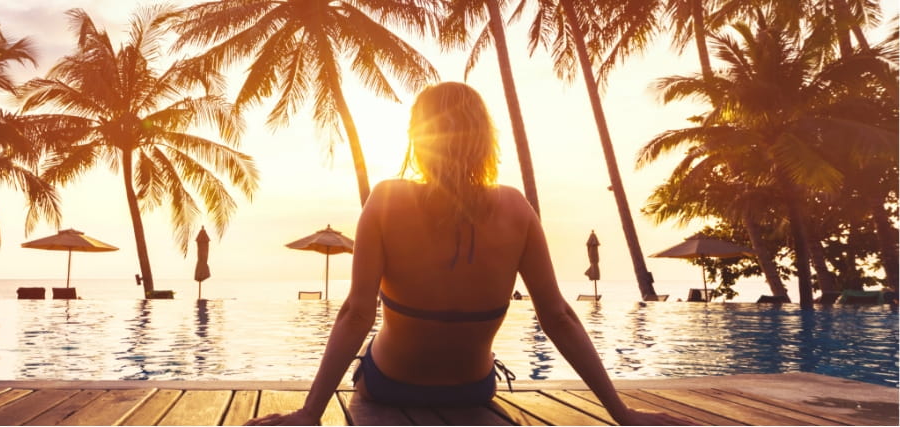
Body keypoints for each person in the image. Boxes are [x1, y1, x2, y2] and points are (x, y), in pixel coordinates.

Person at [246, 82, 688, 426]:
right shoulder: (516, 207)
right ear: (485, 140)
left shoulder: (386, 199)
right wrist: (621, 413)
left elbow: (356, 314)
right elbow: (559, 318)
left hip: (390, 385)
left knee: (373, 344)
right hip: (473, 390)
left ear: (419, 138)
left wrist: (310, 413)